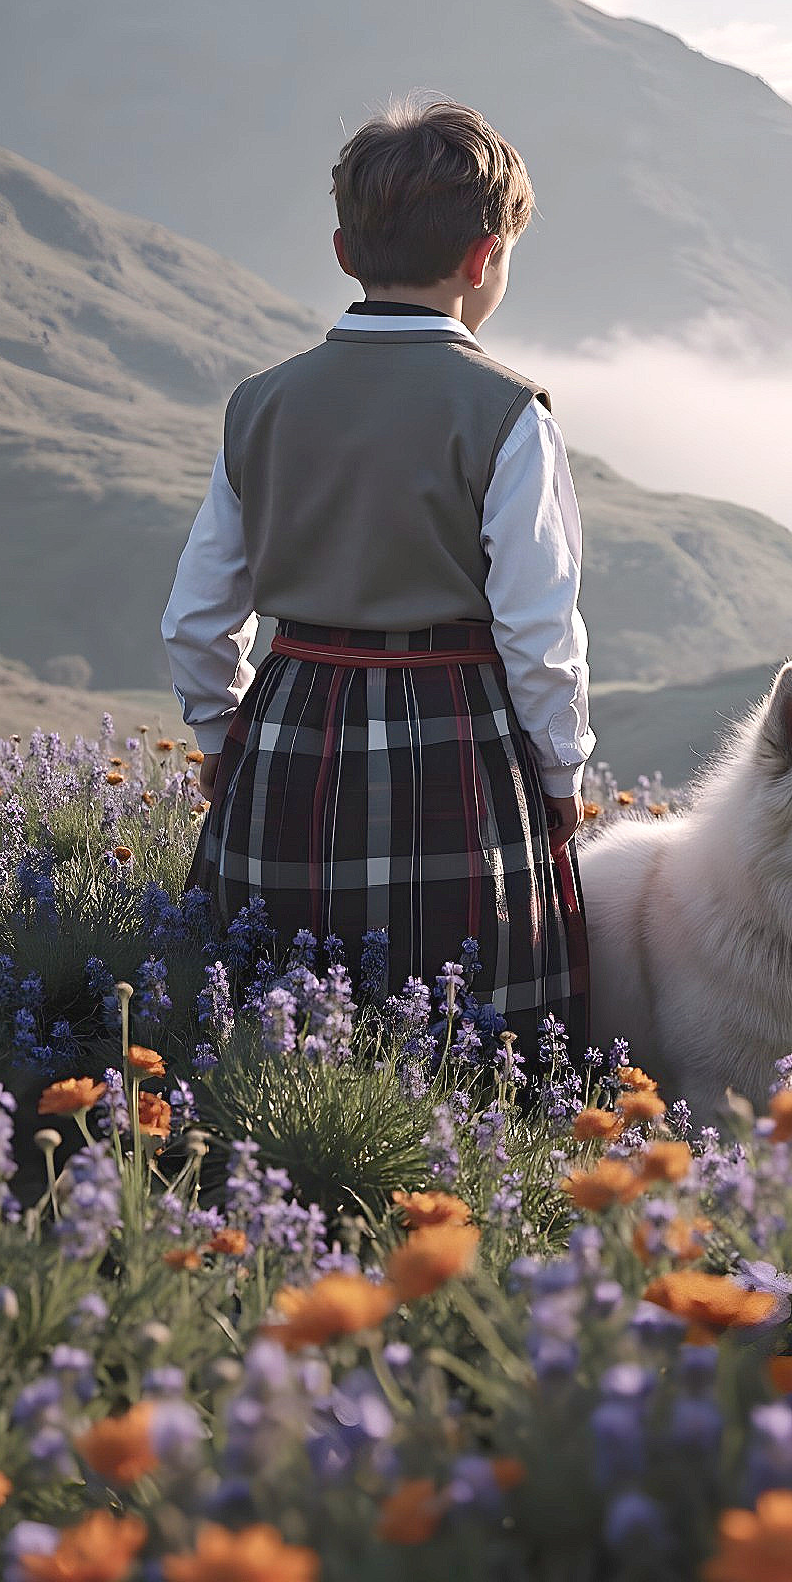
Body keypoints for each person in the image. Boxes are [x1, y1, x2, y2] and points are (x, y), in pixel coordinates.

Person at [161, 96, 592, 1047]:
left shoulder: (260, 403)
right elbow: (539, 626)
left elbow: (199, 615)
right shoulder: (511, 413)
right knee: (467, 1041)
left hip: (287, 733)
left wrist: (219, 732)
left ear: (344, 252)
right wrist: (558, 770)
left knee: (264, 1016)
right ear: (486, 260)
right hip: (459, 740)